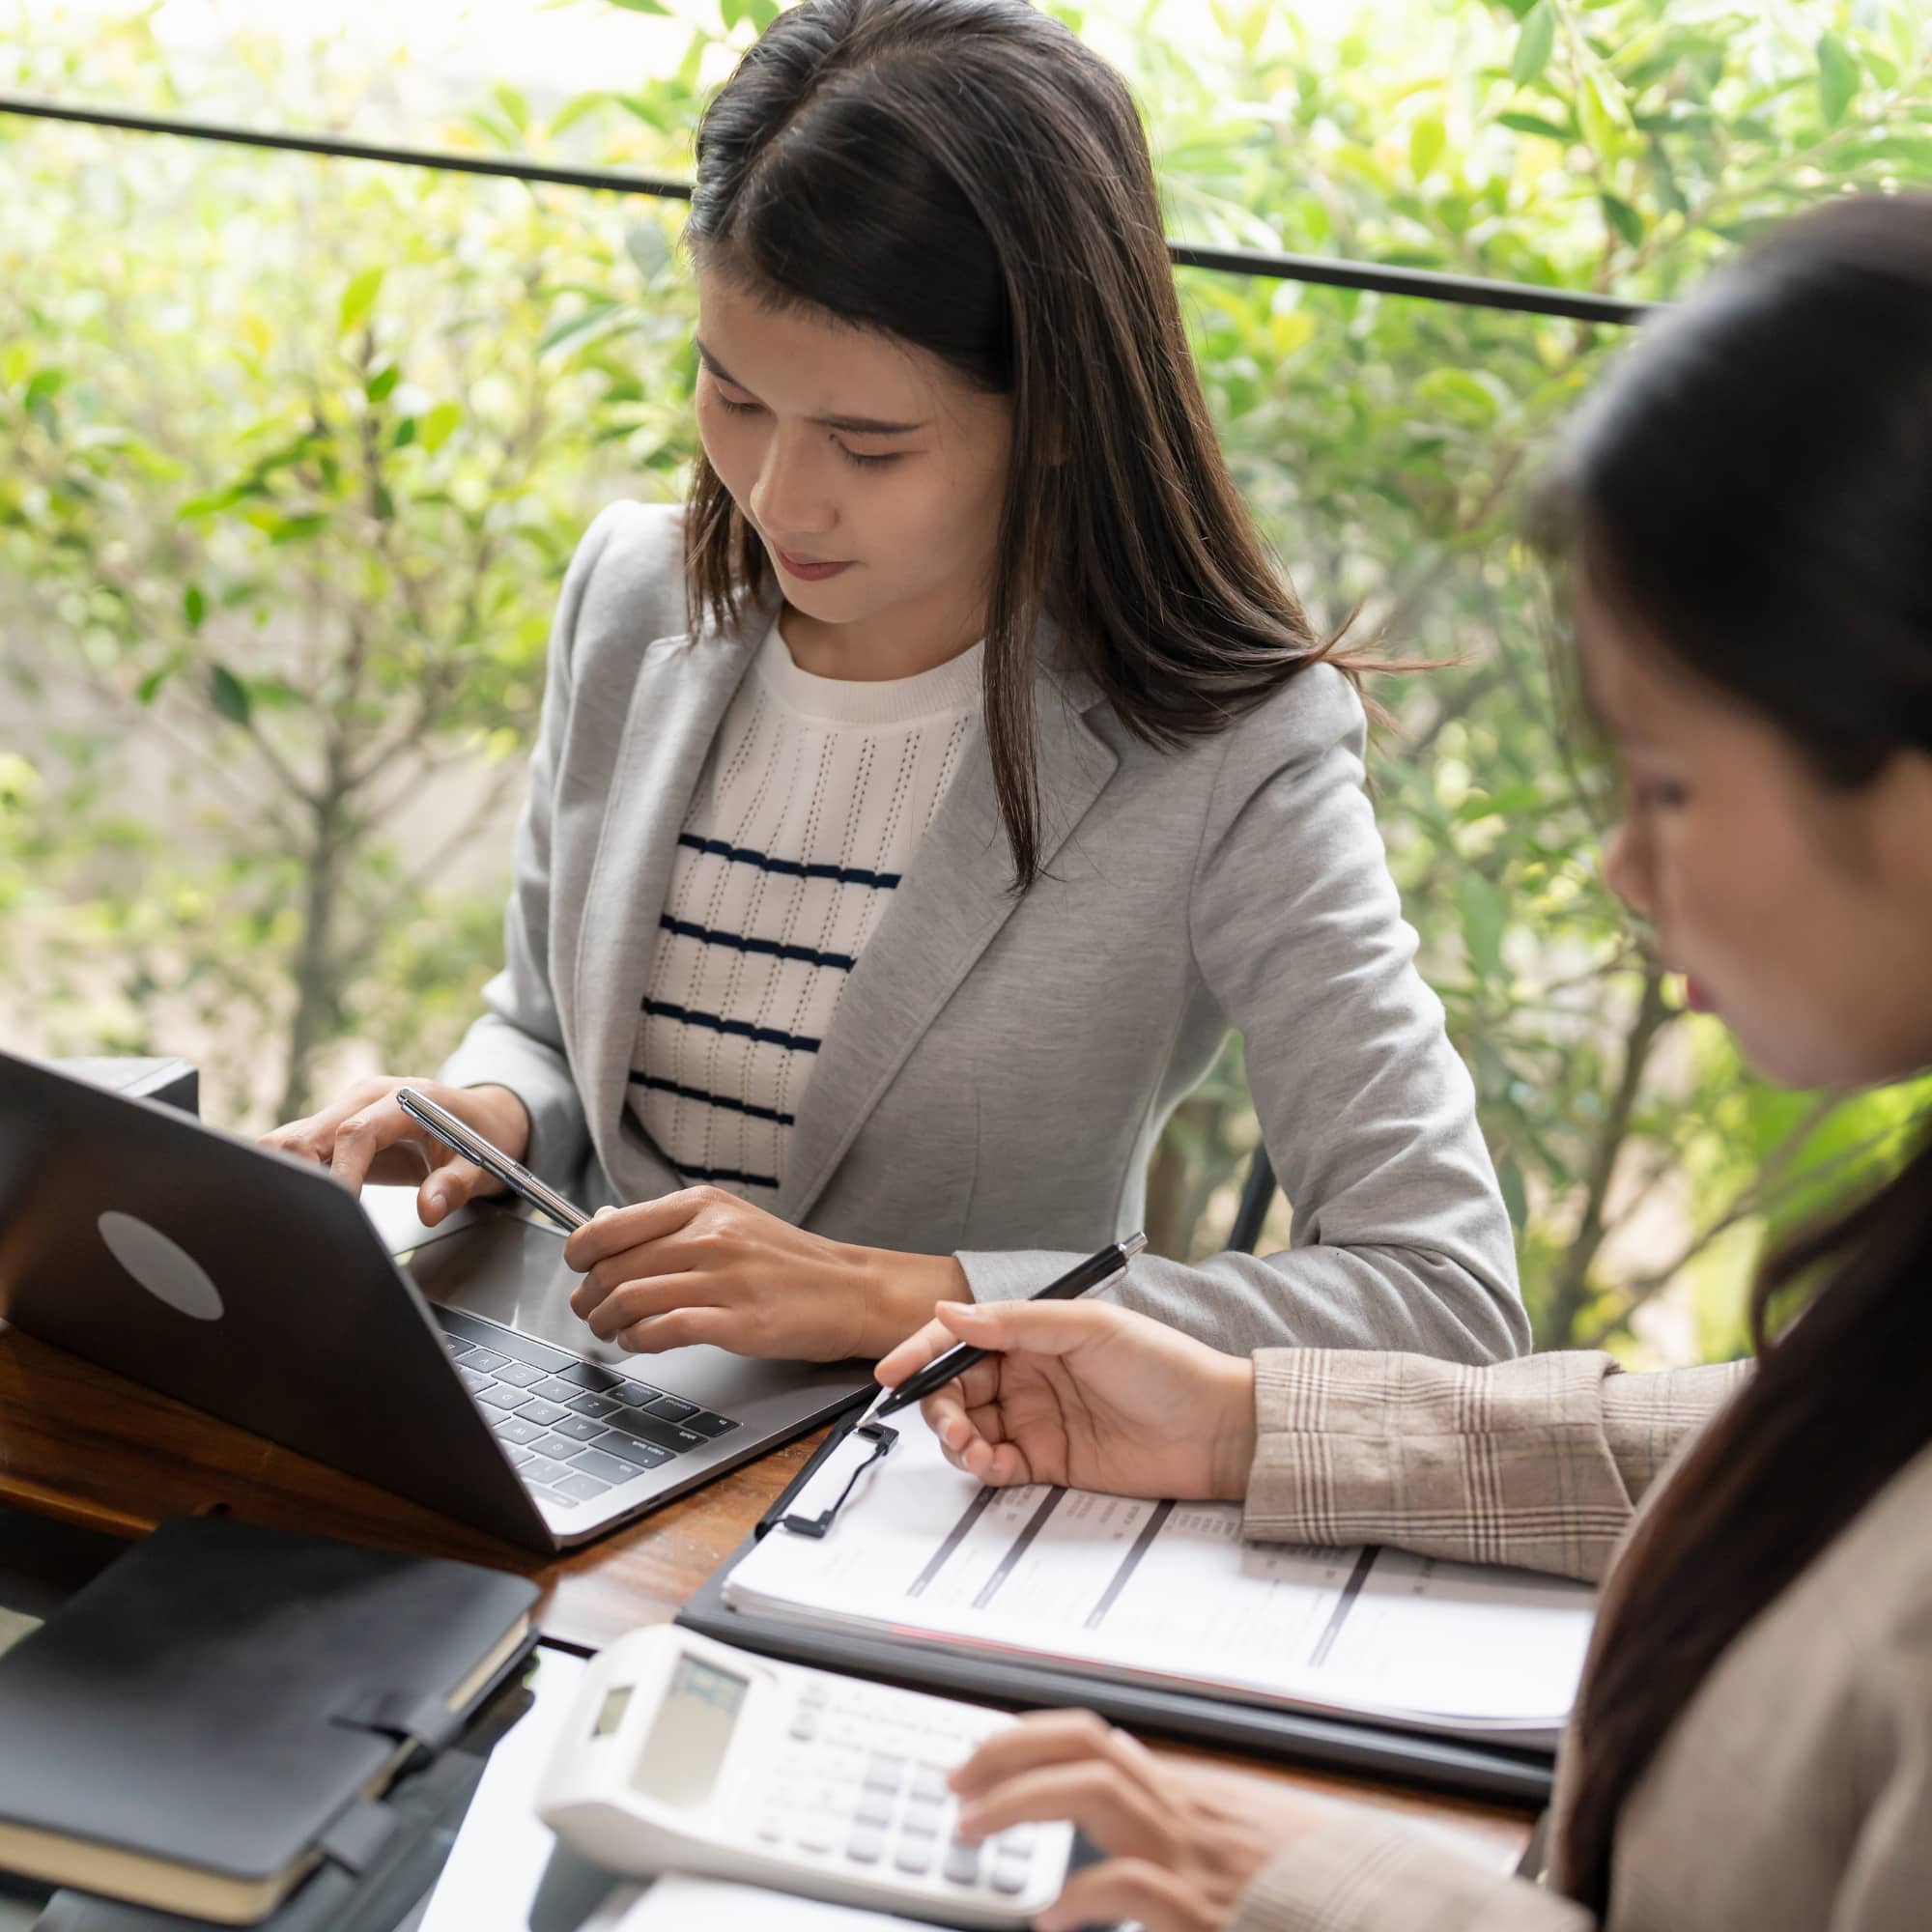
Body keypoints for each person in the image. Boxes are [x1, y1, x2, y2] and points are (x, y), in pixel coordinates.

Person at [872, 192, 1932, 1930]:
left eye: (1665, 782)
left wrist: (1334, 1893)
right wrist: (1244, 1425)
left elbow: (1444, 1273)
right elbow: (1755, 1437)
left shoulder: (1231, 741)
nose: (1622, 870)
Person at [263, 0, 1523, 1370]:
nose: (776, 494)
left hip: (924, 1496)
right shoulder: (637, 594)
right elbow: (544, 1027)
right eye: (734, 396)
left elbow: (1442, 1292)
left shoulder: (1225, 742)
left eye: (869, 444)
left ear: (1054, 415)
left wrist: (893, 1296)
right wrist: (482, 1118)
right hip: (586, 1416)